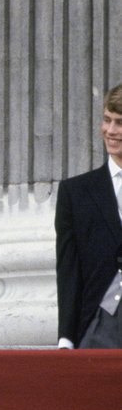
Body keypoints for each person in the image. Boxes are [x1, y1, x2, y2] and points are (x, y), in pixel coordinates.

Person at [56, 82, 122, 348]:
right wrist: (66, 338)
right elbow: (68, 270)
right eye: (107, 120)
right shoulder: (75, 192)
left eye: (120, 122)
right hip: (97, 326)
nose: (111, 130)